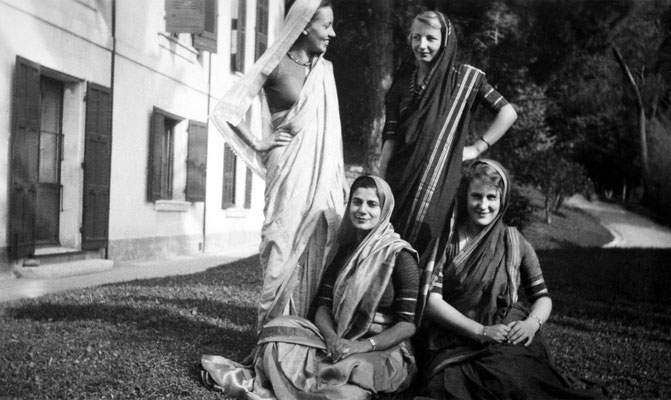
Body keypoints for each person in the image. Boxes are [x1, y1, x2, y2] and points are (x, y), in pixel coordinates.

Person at [201, 176, 420, 399]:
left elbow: (407, 325)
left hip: (381, 347)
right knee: (277, 330)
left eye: (372, 204)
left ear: (385, 209)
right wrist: (332, 338)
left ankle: (315, 386)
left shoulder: (400, 256)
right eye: (357, 202)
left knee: (350, 371)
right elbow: (323, 307)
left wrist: (364, 346)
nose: (362, 210)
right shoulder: (345, 251)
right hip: (337, 340)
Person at [416, 159, 608, 400]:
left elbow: (542, 297)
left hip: (506, 334)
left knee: (512, 379)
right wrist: (481, 331)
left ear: (502, 200)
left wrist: (531, 324)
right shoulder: (447, 241)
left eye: (491, 198)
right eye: (476, 196)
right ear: (465, 197)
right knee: (446, 386)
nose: (483, 205)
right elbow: (432, 303)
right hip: (454, 337)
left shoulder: (514, 241)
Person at [211, 0, 346, 331]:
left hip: (322, 173)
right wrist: (258, 142)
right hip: (286, 166)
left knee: (319, 239)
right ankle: (273, 330)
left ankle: (305, 327)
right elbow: (227, 111)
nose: (332, 33)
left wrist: (338, 179)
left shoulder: (324, 71)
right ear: (303, 26)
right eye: (325, 25)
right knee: (280, 240)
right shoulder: (274, 63)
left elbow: (333, 135)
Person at [378, 11, 517, 321]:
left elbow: (508, 112)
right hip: (401, 181)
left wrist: (477, 148)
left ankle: (413, 325)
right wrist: (380, 180)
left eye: (430, 38)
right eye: (416, 37)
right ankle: (383, 317)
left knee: (426, 250)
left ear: (445, 42)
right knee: (390, 247)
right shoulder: (402, 82)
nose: (422, 45)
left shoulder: (465, 79)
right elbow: (390, 136)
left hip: (441, 184)